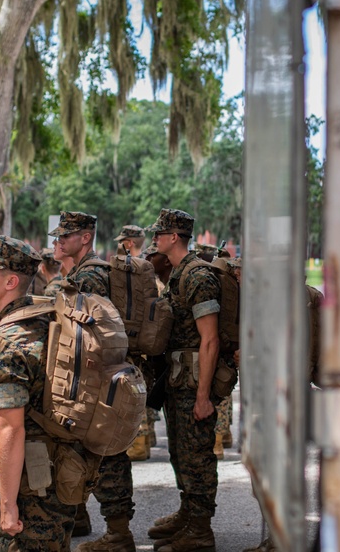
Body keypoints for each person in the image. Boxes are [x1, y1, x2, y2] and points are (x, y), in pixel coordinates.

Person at [0, 235, 75, 552]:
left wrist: (8, 506)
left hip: (27, 482)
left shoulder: (9, 340)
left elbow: (10, 426)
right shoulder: (45, 320)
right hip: (58, 472)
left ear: (11, 281)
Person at [46, 211, 137, 552]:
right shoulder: (84, 272)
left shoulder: (90, 278)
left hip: (97, 379)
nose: (57, 242)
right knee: (84, 449)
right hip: (98, 375)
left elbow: (89, 335)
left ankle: (118, 534)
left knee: (104, 452)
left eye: (64, 236)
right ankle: (81, 517)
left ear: (85, 238)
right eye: (57, 237)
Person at [146, 209, 221, 552]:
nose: (155, 239)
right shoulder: (178, 274)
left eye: (159, 234)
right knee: (180, 452)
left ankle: (200, 530)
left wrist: (204, 396)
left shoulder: (197, 276)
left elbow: (210, 339)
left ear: (174, 236)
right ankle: (188, 514)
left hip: (194, 383)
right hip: (178, 381)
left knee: (197, 456)